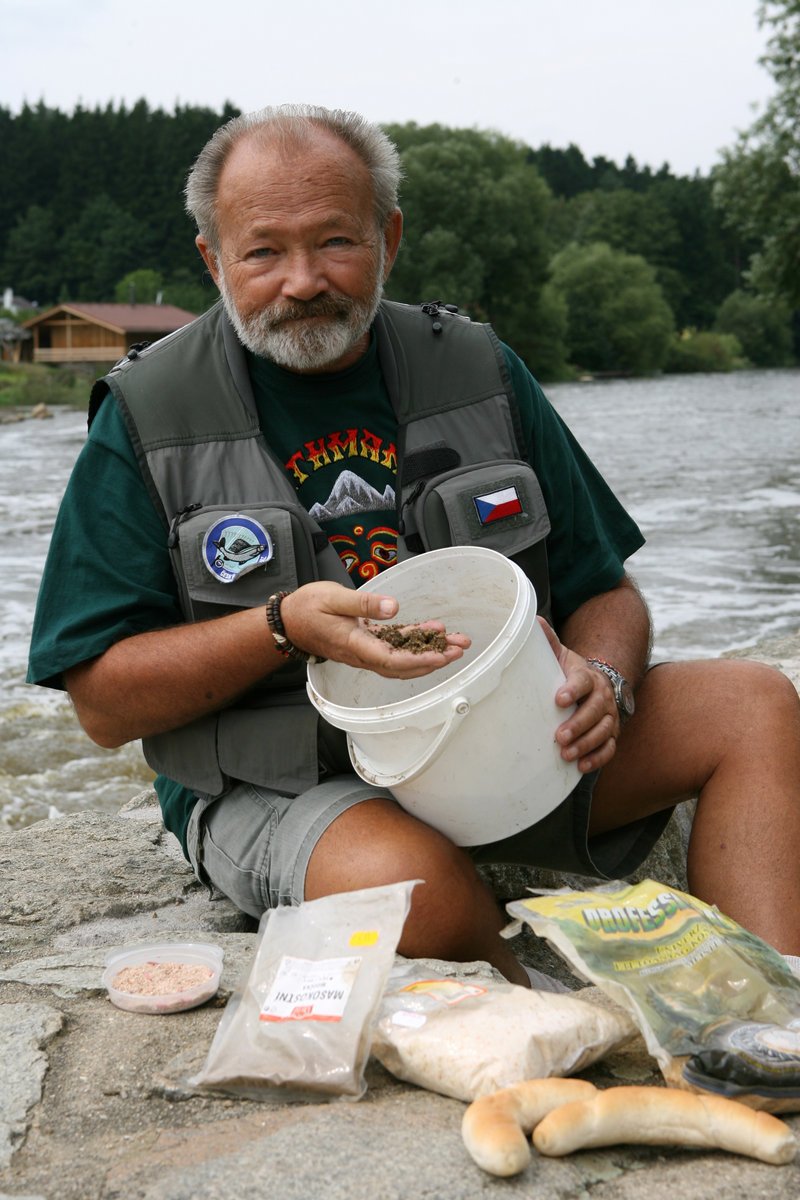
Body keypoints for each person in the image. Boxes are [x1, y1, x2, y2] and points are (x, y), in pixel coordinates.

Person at [28, 104, 800, 987]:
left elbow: (606, 589)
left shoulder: (479, 366)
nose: (304, 280)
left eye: (337, 242)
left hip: (509, 748)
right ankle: (545, 1024)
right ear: (212, 257)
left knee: (752, 703)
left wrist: (608, 679)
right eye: (263, 251)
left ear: (389, 235)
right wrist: (279, 627)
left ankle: (774, 1023)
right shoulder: (144, 417)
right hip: (290, 786)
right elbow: (102, 704)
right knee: (411, 887)